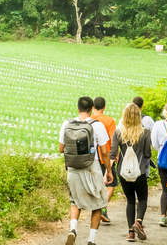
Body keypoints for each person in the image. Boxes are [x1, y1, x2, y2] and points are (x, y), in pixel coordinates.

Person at [59, 97, 113, 245]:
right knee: (98, 203)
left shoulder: (67, 123)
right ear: (91, 110)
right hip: (92, 167)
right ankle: (91, 239)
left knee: (75, 200)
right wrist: (108, 170)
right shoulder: (97, 125)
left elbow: (61, 148)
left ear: (78, 109)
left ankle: (73, 229)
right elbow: (105, 152)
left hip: (72, 168)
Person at [110, 103, 152, 242]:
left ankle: (130, 234)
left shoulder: (118, 132)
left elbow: (112, 153)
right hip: (139, 172)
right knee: (143, 199)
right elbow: (146, 154)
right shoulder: (145, 132)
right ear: (138, 116)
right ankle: (138, 222)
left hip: (123, 172)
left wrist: (108, 172)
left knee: (129, 200)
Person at [91, 97, 117, 224]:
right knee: (110, 183)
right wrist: (115, 156)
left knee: (96, 184)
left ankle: (96, 209)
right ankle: (102, 208)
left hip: (90, 158)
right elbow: (113, 140)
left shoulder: (87, 120)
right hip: (104, 157)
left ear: (93, 107)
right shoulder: (109, 121)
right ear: (104, 107)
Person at [118, 96, 154, 177]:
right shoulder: (148, 119)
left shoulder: (123, 120)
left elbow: (118, 134)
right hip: (143, 154)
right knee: (142, 176)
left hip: (127, 152)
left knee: (128, 175)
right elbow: (155, 134)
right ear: (142, 105)